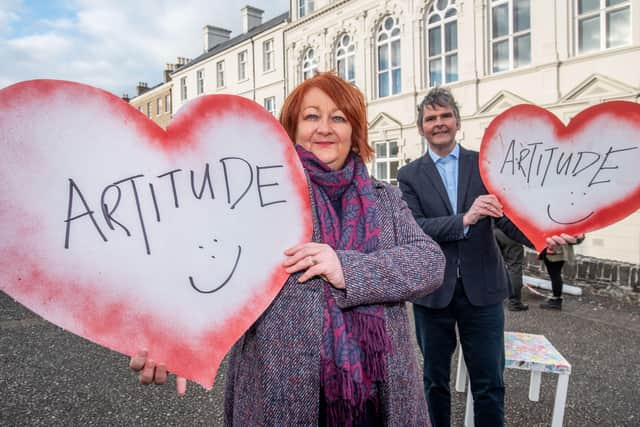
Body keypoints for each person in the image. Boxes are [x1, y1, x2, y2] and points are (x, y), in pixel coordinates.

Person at [130, 72, 446, 426]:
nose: (324, 128)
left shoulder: (384, 199)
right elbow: (212, 268)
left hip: (378, 398)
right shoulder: (259, 196)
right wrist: (173, 334)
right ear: (291, 129)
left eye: (338, 117)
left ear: (355, 132)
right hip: (280, 391)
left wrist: (348, 267)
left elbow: (430, 262)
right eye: (311, 116)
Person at [397, 87, 581, 426]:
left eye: (445, 116)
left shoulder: (484, 165)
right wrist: (465, 219)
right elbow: (415, 227)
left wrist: (544, 240)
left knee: (489, 384)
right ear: (421, 127)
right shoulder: (408, 175)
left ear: (457, 121)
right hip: (433, 294)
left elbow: (509, 218)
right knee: (434, 382)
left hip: (483, 293)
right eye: (430, 118)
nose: (439, 123)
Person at [540, 236, 584, 310]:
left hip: (554, 251)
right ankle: (556, 298)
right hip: (561, 250)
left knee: (555, 275)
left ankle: (556, 301)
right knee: (555, 274)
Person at [494, 228, 528, 311]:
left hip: (493, 230)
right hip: (511, 233)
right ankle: (514, 302)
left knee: (494, 265)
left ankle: (494, 297)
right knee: (514, 267)